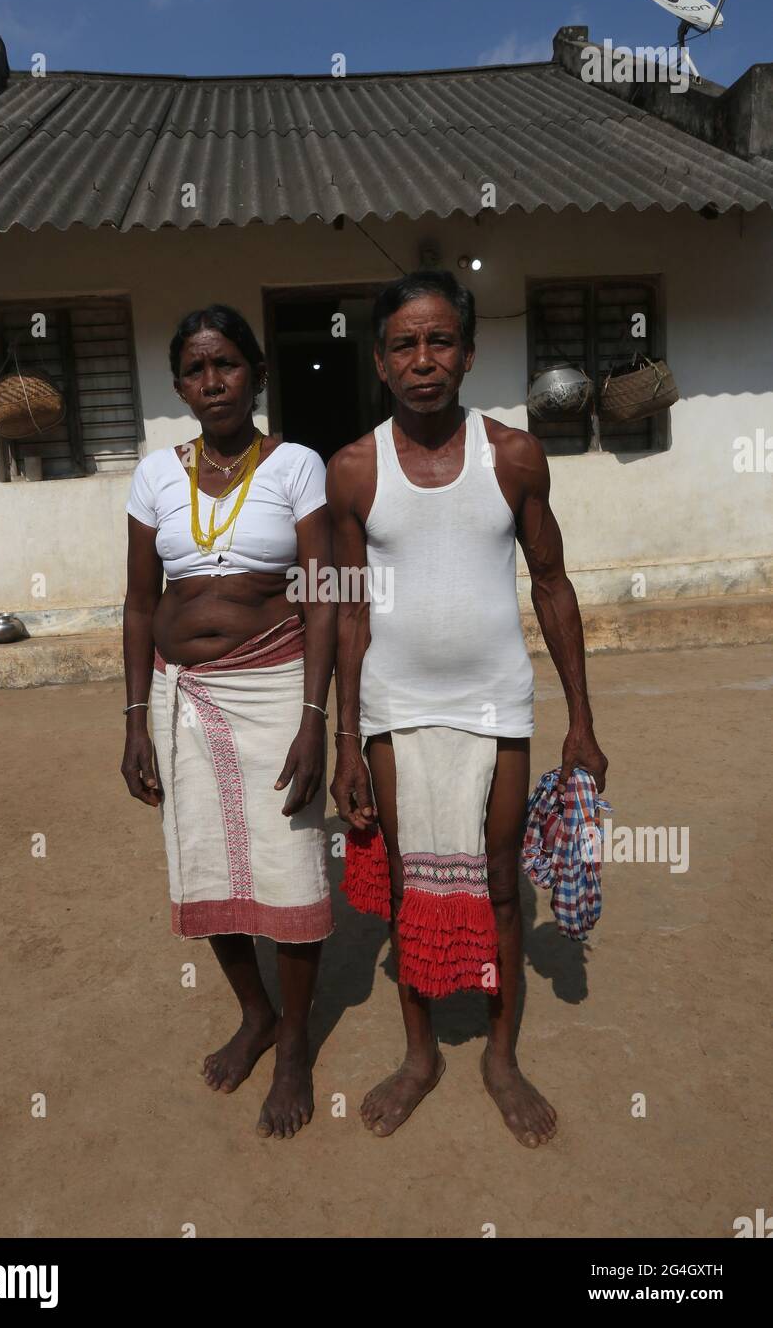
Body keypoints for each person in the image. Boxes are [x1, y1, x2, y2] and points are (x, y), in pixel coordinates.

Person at [327, 270, 608, 1147]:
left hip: (496, 704)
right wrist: (344, 739)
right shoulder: (353, 470)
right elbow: (347, 608)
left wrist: (583, 721)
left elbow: (553, 585)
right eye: (404, 344)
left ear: (470, 353)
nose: (423, 360)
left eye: (439, 340)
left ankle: (499, 1054)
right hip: (393, 708)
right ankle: (420, 1056)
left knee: (496, 880)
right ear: (379, 361)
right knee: (411, 881)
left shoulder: (516, 456)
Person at [122, 304, 335, 1139]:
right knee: (207, 862)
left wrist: (316, 717)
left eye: (228, 366)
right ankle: (256, 1014)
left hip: (277, 685)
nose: (212, 383)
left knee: (290, 863)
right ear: (179, 383)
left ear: (256, 373)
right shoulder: (153, 477)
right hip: (183, 692)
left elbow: (320, 597)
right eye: (196, 370)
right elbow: (141, 603)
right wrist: (136, 717)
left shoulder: (297, 467)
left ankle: (293, 1046)